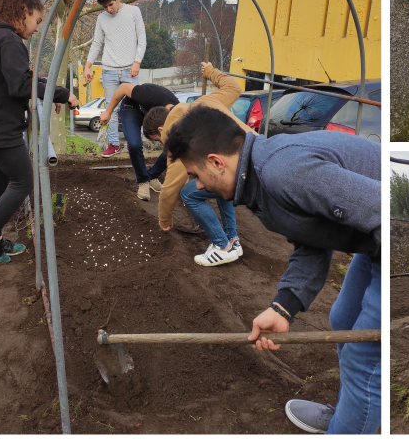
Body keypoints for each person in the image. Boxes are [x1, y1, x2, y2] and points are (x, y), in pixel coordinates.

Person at [163, 105, 381, 435]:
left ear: (217, 163)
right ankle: (351, 414)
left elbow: (388, 212)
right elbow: (313, 237)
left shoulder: (283, 171)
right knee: (343, 321)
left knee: (363, 355)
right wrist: (283, 307)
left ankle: (350, 426)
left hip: (392, 239)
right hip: (373, 242)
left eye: (195, 176)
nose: (199, 187)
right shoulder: (261, 183)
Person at [0, 0, 78, 265]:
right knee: (24, 181)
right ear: (22, 11)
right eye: (37, 20)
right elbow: (20, 85)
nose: (37, 27)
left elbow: (18, 79)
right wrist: (60, 93)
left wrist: (52, 92)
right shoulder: (9, 40)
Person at [141, 62, 247, 266]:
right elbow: (234, 87)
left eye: (157, 138)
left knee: (189, 194)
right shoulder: (204, 103)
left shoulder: (179, 138)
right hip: (252, 154)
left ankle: (222, 246)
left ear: (162, 128)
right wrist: (210, 71)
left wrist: (164, 221)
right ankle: (233, 241)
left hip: (240, 172)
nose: (161, 143)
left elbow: (169, 189)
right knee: (219, 186)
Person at [84, 0, 147, 158]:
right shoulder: (102, 19)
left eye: (111, 4)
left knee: (133, 108)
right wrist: (88, 65)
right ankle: (113, 144)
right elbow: (97, 43)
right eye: (105, 7)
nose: (109, 9)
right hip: (109, 71)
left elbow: (142, 39)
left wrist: (137, 62)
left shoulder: (134, 12)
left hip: (130, 70)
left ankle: (134, 143)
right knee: (110, 109)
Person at [98, 81, 180, 200]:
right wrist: (108, 112)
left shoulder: (177, 113)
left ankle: (152, 176)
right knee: (134, 144)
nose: (160, 143)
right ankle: (143, 181)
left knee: (172, 146)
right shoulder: (149, 95)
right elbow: (123, 87)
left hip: (150, 113)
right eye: (157, 138)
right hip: (132, 108)